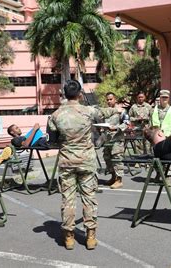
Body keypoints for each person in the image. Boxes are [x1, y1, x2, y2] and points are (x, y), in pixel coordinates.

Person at [47, 80, 121, 250]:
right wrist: (115, 109)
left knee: (68, 200)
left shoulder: (56, 115)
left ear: (65, 94)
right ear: (80, 94)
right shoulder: (88, 111)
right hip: (86, 162)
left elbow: (52, 140)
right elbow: (103, 113)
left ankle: (69, 238)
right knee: (89, 198)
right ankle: (90, 237)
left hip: (67, 162)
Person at [102, 92, 129, 189]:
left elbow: (127, 124)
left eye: (111, 99)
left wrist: (117, 128)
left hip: (117, 139)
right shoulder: (105, 112)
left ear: (115, 99)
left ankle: (119, 180)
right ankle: (113, 177)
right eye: (107, 100)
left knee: (117, 159)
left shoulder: (122, 111)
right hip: (107, 139)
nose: (109, 101)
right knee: (107, 158)